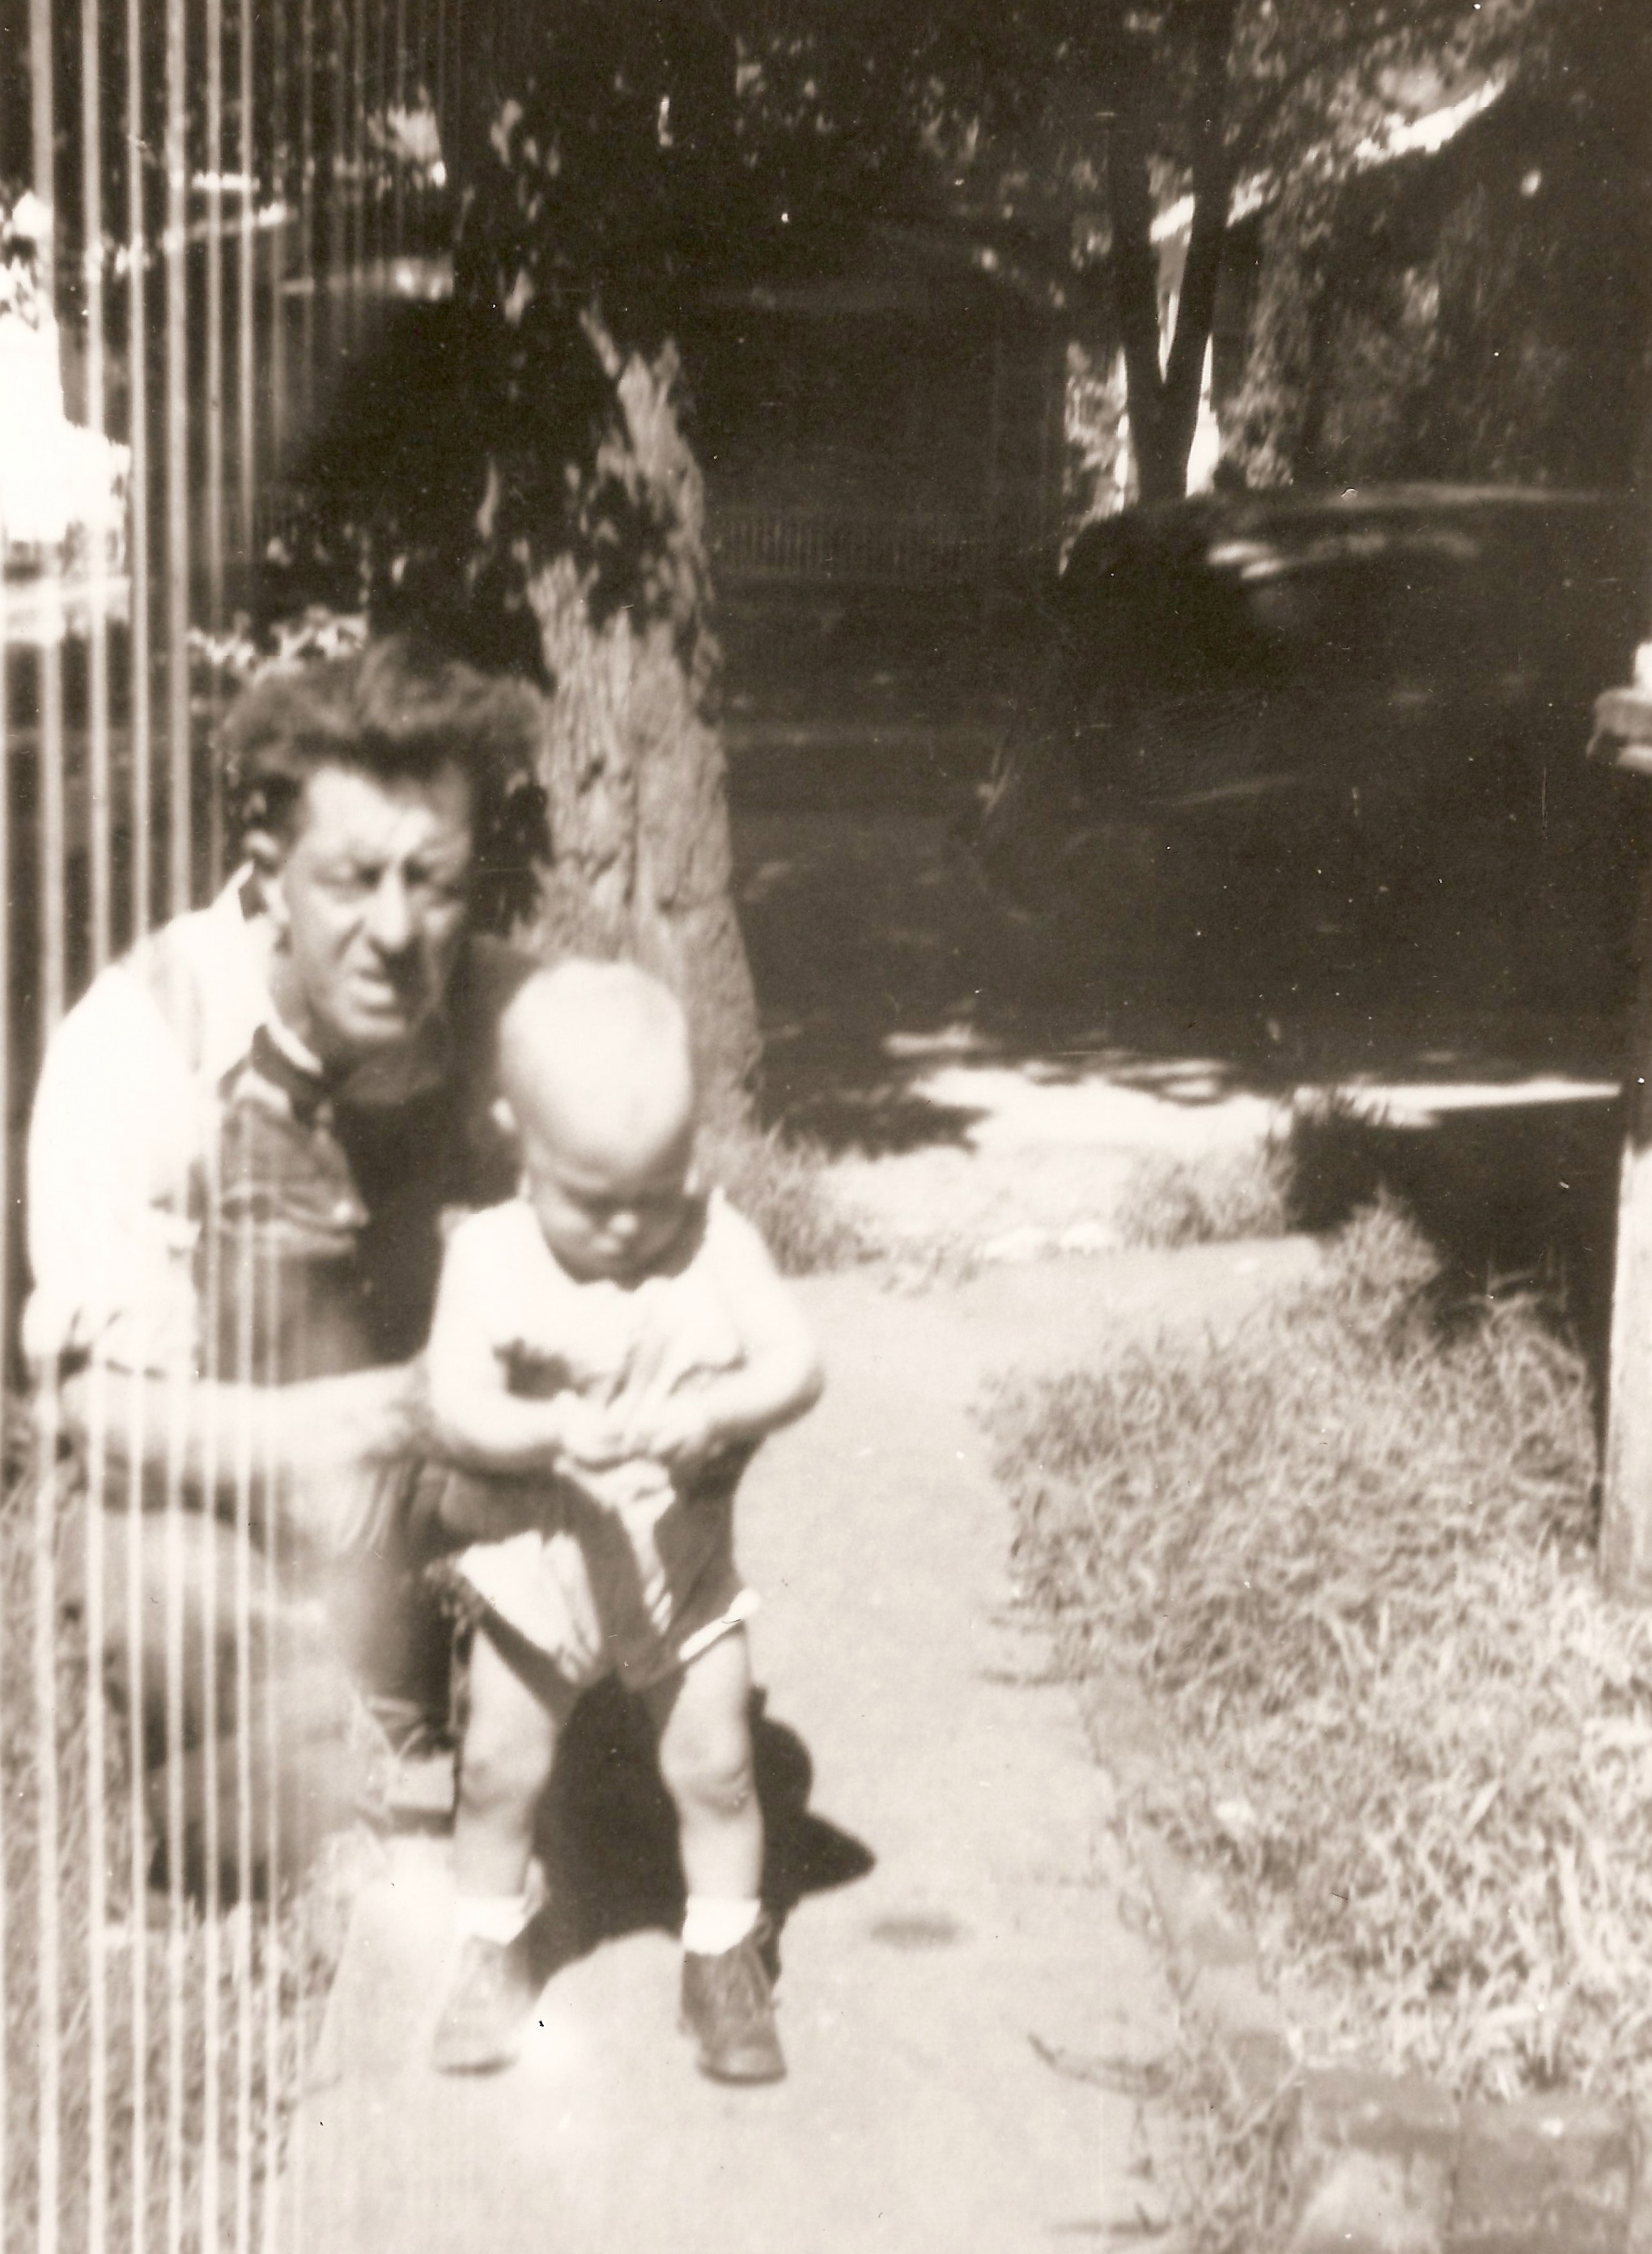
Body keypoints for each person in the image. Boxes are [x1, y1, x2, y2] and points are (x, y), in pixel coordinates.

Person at [25, 635, 546, 1874]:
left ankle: (453, 1721)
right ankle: (297, 1765)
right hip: (235, 1496)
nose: (395, 929)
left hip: (443, 1488)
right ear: (267, 874)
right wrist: (386, 1414)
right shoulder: (145, 1042)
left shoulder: (518, 1018)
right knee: (160, 1592)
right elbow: (103, 1415)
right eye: (352, 879)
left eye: (434, 881)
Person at [424, 959, 822, 2082]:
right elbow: (455, 1405)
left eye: (658, 1187)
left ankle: (723, 1955)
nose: (631, 1225)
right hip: (538, 1564)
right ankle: (489, 1945)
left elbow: (797, 1361)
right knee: (497, 1767)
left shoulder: (711, 1236)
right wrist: (547, 1430)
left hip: (677, 1565)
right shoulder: (492, 1254)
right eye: (595, 1201)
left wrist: (718, 1409)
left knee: (717, 1767)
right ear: (517, 1140)